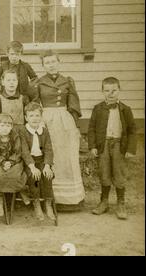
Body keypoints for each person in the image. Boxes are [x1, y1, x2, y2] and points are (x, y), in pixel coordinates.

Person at [31, 50, 85, 208]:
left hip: (65, 120)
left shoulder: (67, 81)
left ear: (58, 62)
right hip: (47, 120)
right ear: (43, 65)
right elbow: (34, 105)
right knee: (50, 155)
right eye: (47, 63)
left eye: (53, 61)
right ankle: (50, 197)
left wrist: (76, 127)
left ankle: (71, 200)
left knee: (67, 157)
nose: (51, 65)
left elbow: (74, 106)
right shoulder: (38, 83)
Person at [88, 77, 137, 220]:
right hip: (103, 145)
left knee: (119, 173)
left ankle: (120, 203)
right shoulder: (98, 108)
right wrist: (92, 146)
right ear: (102, 91)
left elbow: (132, 130)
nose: (111, 93)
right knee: (104, 173)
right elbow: (91, 128)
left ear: (119, 90)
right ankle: (104, 202)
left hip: (119, 145)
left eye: (114, 90)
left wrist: (130, 149)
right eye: (107, 90)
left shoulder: (125, 109)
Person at [19, 102, 56, 220]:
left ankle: (48, 203)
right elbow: (24, 151)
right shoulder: (23, 131)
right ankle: (36, 203)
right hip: (29, 162)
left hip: (42, 160)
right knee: (34, 176)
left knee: (47, 175)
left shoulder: (44, 131)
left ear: (41, 117)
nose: (34, 119)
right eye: (31, 116)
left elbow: (49, 149)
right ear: (26, 118)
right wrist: (32, 167)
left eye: (37, 115)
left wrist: (47, 165)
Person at [0, 113, 26, 218]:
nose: (5, 129)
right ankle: (0, 199)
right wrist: (2, 162)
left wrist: (10, 161)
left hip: (14, 161)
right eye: (2, 125)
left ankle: (19, 191)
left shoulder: (15, 136)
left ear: (11, 127)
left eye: (8, 126)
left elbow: (18, 152)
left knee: (15, 174)